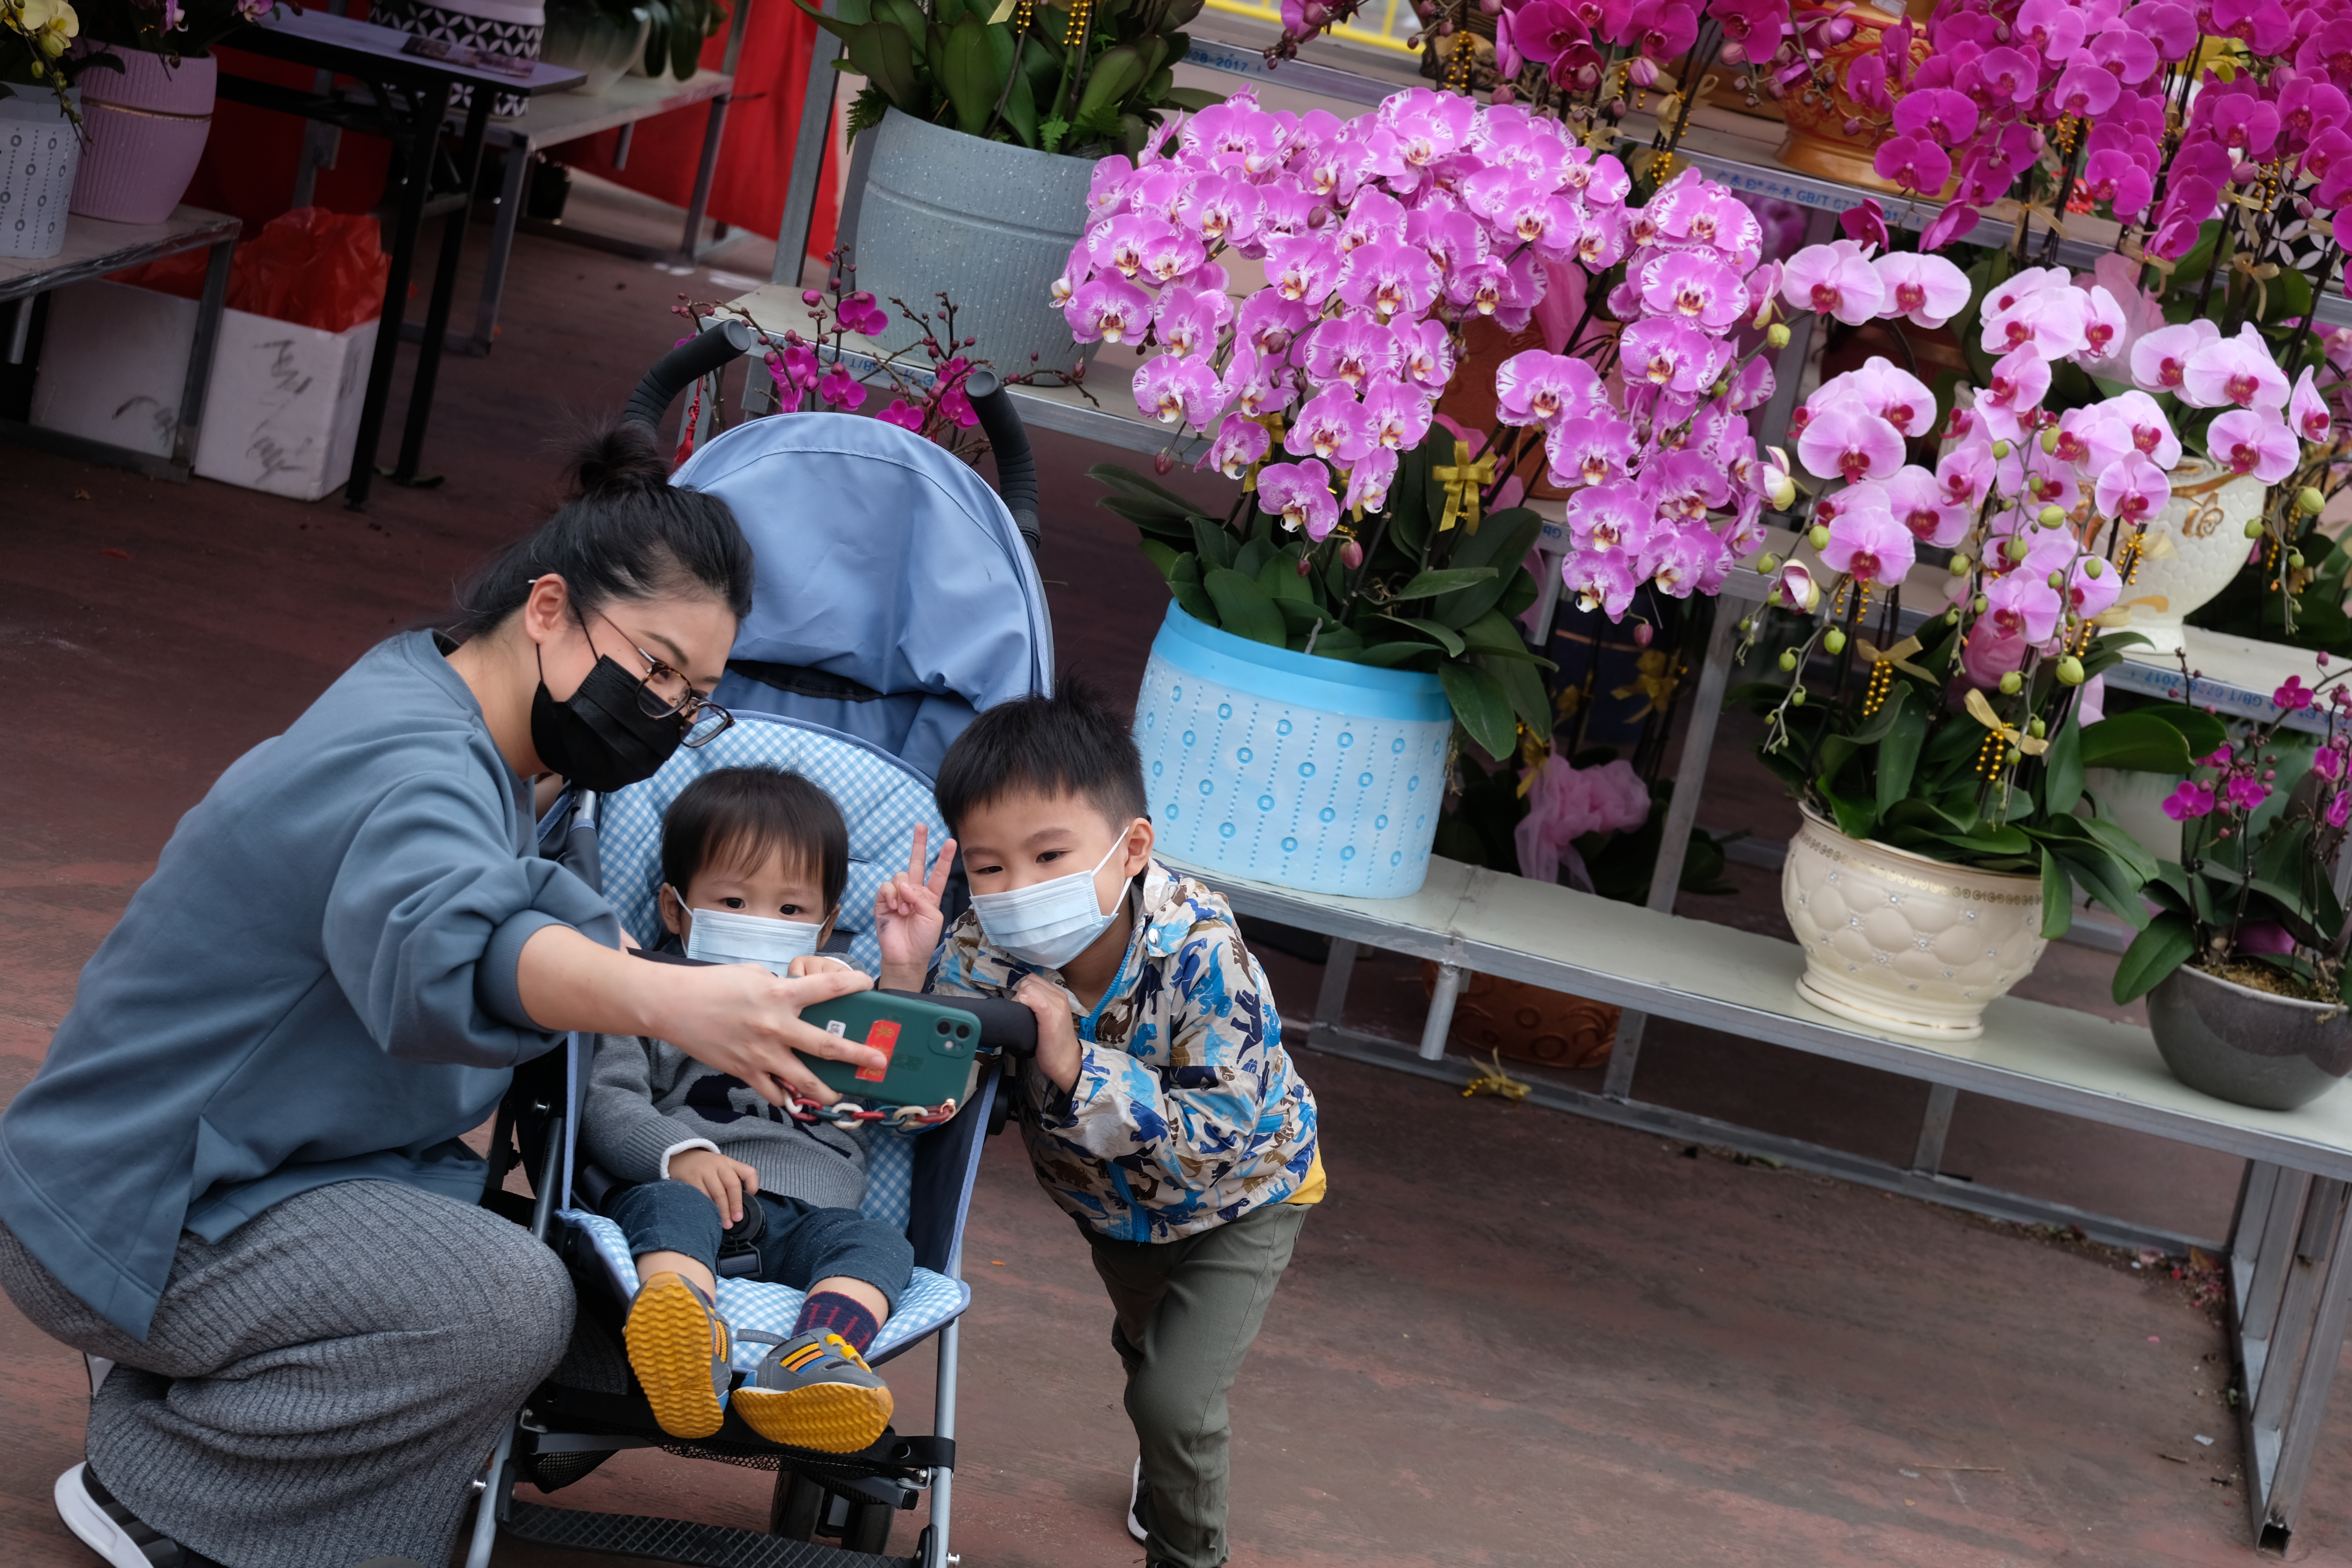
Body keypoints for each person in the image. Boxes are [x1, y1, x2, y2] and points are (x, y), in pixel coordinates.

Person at [0, 426, 888, 1568]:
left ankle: (236, 1430)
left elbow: (510, 906)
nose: (665, 713)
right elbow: (452, 936)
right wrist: (672, 1005)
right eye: (656, 668)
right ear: (550, 608)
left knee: (597, 1320)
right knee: (502, 1304)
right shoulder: (412, 758)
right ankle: (164, 1502)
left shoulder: (465, 716)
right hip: (144, 1204)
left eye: (693, 697)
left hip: (266, 1174)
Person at [875, 681, 1325, 1568]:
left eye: (1049, 854)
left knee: (1175, 1398)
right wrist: (909, 977)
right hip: (1110, 1211)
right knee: (1147, 1354)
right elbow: (924, 1105)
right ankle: (1166, 1468)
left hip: (1247, 1194)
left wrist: (1076, 1065)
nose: (1018, 887)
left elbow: (1219, 1132)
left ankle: (1189, 1553)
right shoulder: (979, 950)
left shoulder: (1202, 947)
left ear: (1132, 846)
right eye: (991, 865)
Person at [584, 764, 937, 1454]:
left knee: (882, 1246)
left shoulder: (835, 1009)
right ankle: (685, 1330)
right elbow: (608, 1100)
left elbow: (906, 1090)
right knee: (666, 1208)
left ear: (826, 925)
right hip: (690, 1188)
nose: (762, 926)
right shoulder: (648, 995)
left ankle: (816, 1359)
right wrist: (677, 1155)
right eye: (736, 902)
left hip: (815, 1222)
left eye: (791, 911)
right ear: (675, 910)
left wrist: (895, 980)